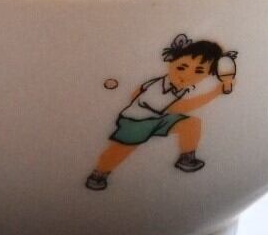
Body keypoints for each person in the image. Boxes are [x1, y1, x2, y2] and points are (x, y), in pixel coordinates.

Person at [85, 35, 237, 191]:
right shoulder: (158, 87)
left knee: (191, 124)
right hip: (135, 122)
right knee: (122, 150)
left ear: (207, 75)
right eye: (181, 67)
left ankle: (186, 158)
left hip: (157, 118)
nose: (187, 75)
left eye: (198, 71)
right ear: (171, 62)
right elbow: (178, 107)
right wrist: (215, 93)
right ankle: (99, 174)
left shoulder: (182, 87)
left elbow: (137, 93)